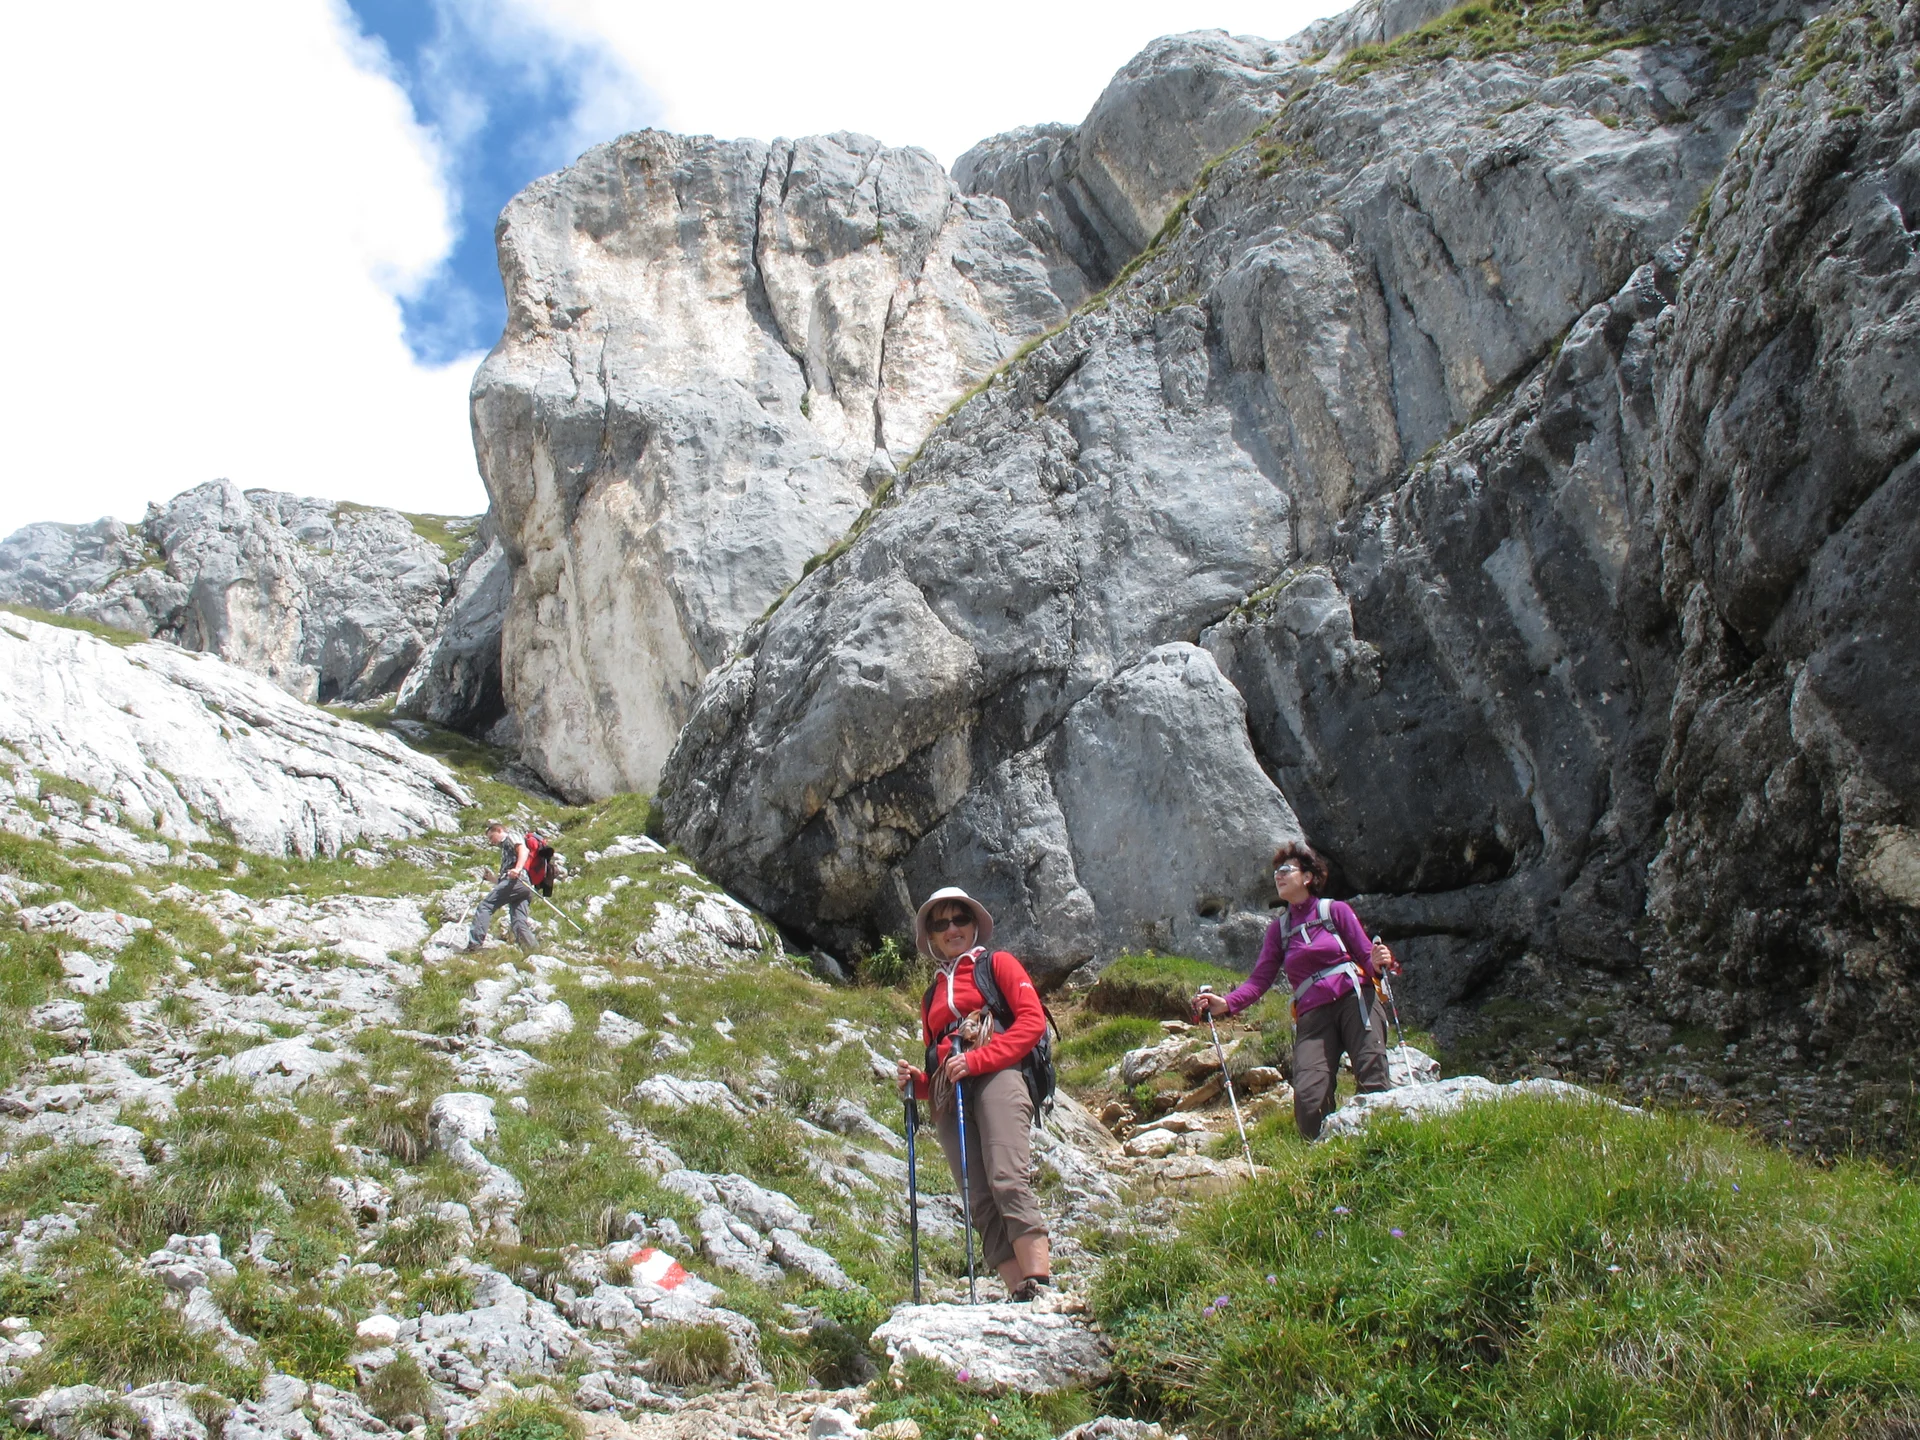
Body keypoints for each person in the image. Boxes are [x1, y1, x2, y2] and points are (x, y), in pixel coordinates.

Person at [895, 886, 1053, 1302]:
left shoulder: (996, 964)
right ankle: (1018, 1290)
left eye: (960, 919)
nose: (952, 929)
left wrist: (979, 1060)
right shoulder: (931, 996)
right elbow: (939, 1063)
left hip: (999, 1074)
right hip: (951, 1095)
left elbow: (1032, 1022)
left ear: (974, 925)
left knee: (1007, 1176)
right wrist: (919, 1083)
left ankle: (1041, 1283)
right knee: (978, 1196)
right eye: (940, 923)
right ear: (931, 935)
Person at [1193, 841, 1399, 1140]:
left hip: (1355, 999)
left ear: (1308, 877)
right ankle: (1324, 1155)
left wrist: (1380, 962)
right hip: (1313, 1015)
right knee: (1309, 1097)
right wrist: (1226, 1003)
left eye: (1286, 869)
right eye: (1276, 872)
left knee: (1372, 1071)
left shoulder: (1335, 911)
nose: (1278, 875)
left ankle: (1381, 1143)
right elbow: (1260, 979)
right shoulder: (1278, 930)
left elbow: (1366, 954)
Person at [467, 821, 538, 952]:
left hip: (516, 881)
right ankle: (533, 950)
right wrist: (491, 879)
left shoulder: (511, 836)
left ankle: (474, 945)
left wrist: (517, 869)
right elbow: (504, 879)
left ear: (499, 831)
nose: (491, 841)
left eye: (491, 837)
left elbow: (524, 850)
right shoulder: (506, 848)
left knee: (485, 906)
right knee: (519, 921)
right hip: (524, 886)